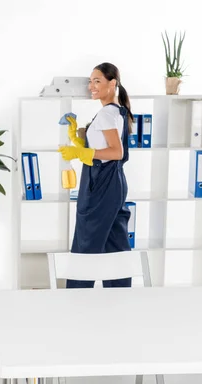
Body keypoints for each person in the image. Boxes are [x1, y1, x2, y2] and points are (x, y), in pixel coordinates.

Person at [58, 62, 134, 289]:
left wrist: (81, 153)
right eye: (91, 81)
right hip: (113, 182)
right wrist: (77, 136)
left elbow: (116, 152)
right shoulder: (115, 111)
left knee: (87, 239)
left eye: (97, 81)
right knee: (115, 240)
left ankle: (77, 295)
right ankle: (120, 293)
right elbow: (101, 146)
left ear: (113, 83)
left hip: (101, 182)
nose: (92, 86)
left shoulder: (107, 114)